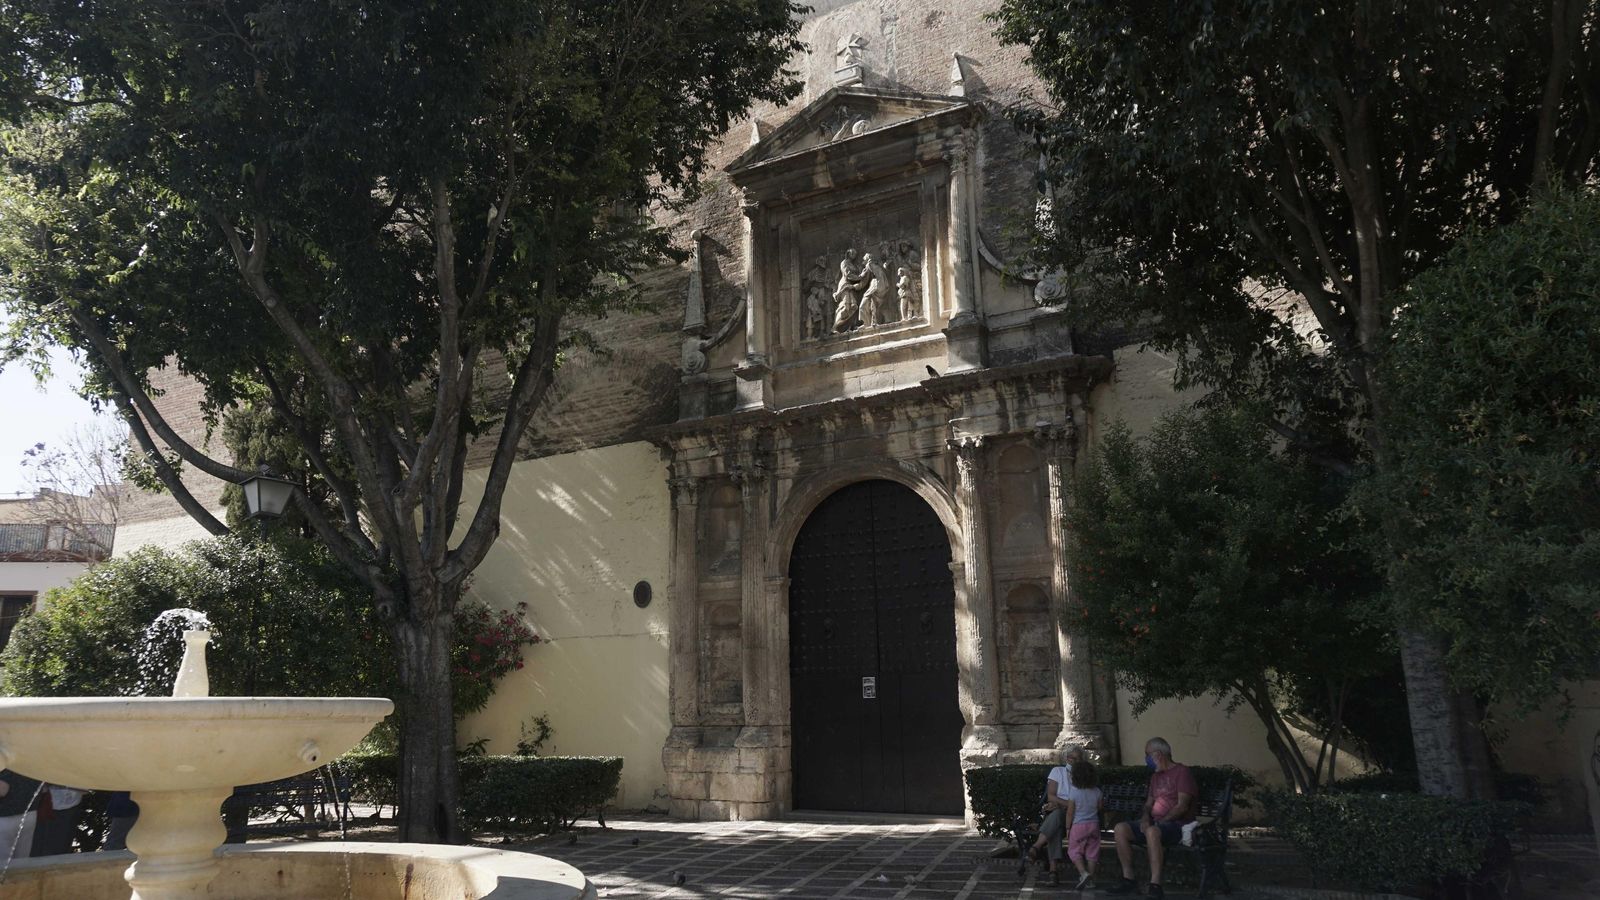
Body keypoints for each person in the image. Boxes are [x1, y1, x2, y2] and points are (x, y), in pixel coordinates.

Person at [1109, 737, 1197, 899]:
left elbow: (1182, 806)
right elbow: (1148, 804)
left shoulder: (1182, 772)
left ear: (1158, 754)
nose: (1146, 759)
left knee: (1152, 832)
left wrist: (1160, 822)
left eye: (1147, 755)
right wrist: (1144, 818)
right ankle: (1128, 879)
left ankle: (1155, 885)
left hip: (1176, 825)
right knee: (1121, 829)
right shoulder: (1155, 777)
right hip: (1155, 824)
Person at [1028, 745, 1085, 882]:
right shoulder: (1057, 771)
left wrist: (1063, 804)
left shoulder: (1084, 775)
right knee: (1057, 821)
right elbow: (1051, 796)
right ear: (1066, 758)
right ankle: (1053, 871)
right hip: (1059, 812)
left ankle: (1036, 847)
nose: (1072, 761)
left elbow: (1083, 799)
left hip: (1076, 815)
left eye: (1077, 759)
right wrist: (1062, 804)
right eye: (1070, 757)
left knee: (1057, 815)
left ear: (1082, 760)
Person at [1062, 759, 1105, 890]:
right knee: (1092, 852)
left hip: (1078, 826)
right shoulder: (1097, 791)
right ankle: (1091, 880)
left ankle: (1083, 873)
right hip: (1094, 825)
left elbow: (1070, 812)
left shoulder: (1074, 792)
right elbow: (1100, 808)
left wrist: (1067, 828)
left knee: (1074, 850)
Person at [0, 769, 40, 863]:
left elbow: (2, 789)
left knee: (3, 863)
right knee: (22, 861)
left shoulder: (6, 762)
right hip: (30, 813)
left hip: (6, 817)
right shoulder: (33, 761)